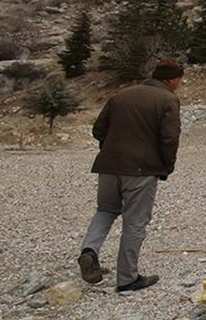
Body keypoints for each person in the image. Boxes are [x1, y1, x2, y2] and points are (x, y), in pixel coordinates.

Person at [77, 59, 183, 293]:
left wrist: (111, 150)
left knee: (105, 210)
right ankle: (127, 278)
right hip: (141, 169)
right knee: (135, 221)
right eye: (179, 80)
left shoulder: (121, 95)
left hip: (108, 165)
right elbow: (169, 138)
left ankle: (89, 251)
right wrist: (166, 166)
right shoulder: (168, 99)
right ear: (172, 80)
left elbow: (98, 130)